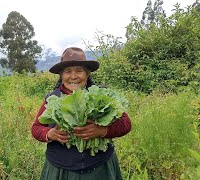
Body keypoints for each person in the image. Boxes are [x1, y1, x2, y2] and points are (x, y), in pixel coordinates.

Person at [31, 47, 131, 180]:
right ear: (61, 76)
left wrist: (103, 131)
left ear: (87, 74)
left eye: (79, 71)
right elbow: (36, 128)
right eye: (67, 71)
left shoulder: (101, 95)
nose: (73, 76)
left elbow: (126, 123)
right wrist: (49, 134)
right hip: (60, 169)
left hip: (99, 167)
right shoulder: (52, 98)